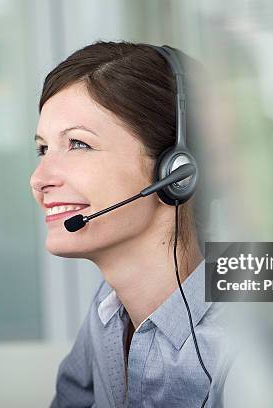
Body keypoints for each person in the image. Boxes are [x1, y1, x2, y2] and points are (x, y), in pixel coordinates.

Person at [30, 41, 228, 407]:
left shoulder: (249, 336)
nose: (39, 179)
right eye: (43, 149)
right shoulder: (108, 310)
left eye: (77, 144)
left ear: (175, 171)